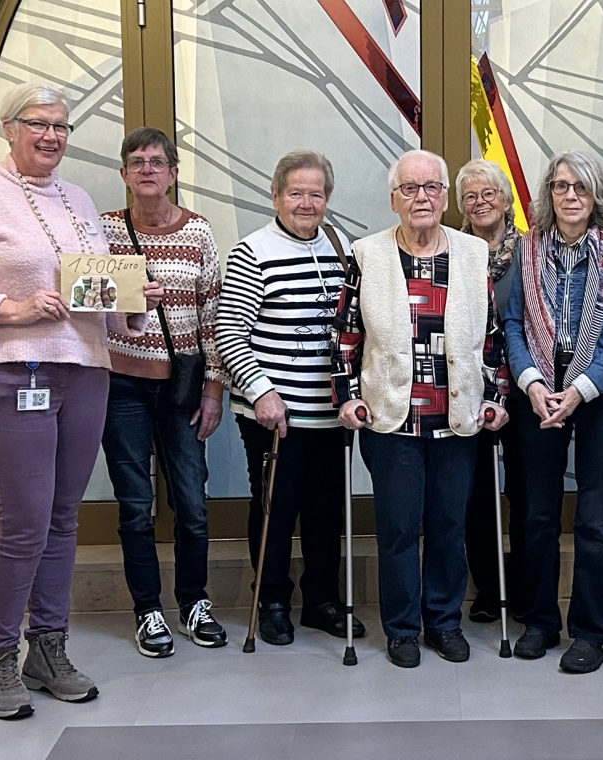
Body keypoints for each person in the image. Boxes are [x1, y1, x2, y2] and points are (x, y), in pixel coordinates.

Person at [0, 82, 163, 718]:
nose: (52, 135)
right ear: (10, 128)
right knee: (24, 524)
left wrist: (136, 305)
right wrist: (10, 308)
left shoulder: (80, 200)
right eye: (39, 123)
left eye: (61, 125)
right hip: (10, 371)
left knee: (62, 519)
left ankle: (48, 649)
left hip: (85, 369)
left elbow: (97, 296)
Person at [331, 149, 509, 668]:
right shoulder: (367, 254)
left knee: (450, 526)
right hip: (391, 418)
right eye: (410, 188)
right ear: (394, 199)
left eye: (431, 187)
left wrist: (496, 399)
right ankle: (403, 629)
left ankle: (444, 622)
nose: (422, 197)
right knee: (399, 529)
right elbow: (345, 335)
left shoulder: (474, 254)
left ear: (446, 196)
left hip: (458, 417)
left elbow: (492, 337)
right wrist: (347, 398)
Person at [215, 149, 366, 646]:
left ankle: (320, 600)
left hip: (331, 412)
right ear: (276, 196)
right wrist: (261, 392)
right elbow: (229, 331)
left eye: (316, 193)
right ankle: (272, 599)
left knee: (326, 511)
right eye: (296, 193)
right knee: (276, 508)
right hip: (274, 413)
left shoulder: (341, 248)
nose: (306, 202)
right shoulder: (253, 252)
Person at [504, 150, 603, 674]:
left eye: (580, 187)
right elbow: (513, 323)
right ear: (549, 194)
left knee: (594, 517)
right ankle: (540, 621)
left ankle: (591, 633)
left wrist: (579, 391)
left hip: (602, 394)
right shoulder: (528, 249)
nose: (570, 196)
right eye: (560, 186)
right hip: (539, 390)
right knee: (538, 513)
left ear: (595, 194)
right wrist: (532, 382)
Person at [99, 127, 229, 658]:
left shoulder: (198, 233)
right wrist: (123, 298)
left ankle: (194, 601)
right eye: (137, 162)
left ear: (173, 173)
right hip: (120, 387)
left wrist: (215, 390)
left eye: (157, 161)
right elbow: (84, 305)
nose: (147, 169)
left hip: (182, 387)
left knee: (192, 505)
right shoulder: (102, 232)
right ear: (125, 174)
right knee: (135, 506)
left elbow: (216, 315)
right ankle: (148, 610)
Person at [454, 158, 528, 623]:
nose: (480, 202)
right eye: (469, 196)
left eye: (489, 194)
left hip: (523, 385)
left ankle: (521, 588)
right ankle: (487, 587)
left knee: (523, 492)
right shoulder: (455, 250)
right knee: (475, 494)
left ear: (505, 200)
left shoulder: (533, 250)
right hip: (468, 388)